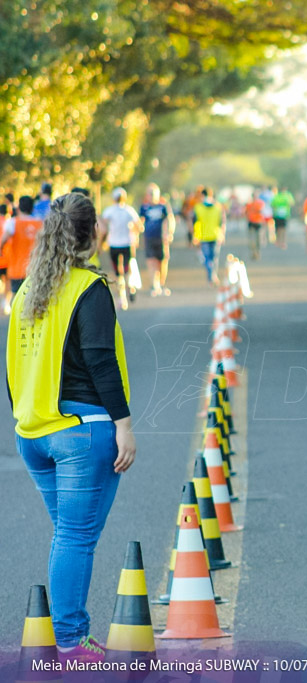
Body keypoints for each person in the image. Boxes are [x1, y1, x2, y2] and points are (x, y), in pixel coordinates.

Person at [7, 192, 136, 664]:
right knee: (76, 537)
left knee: (68, 533)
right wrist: (124, 425)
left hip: (33, 433)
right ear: (93, 233)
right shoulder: (89, 288)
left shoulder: (26, 291)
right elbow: (102, 363)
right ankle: (70, 638)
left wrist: (23, 421)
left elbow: (11, 366)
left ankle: (66, 635)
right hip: (81, 432)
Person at [99, 188, 142, 310]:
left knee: (117, 272)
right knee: (127, 269)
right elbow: (139, 225)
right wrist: (136, 236)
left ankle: (121, 297)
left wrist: (104, 239)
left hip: (113, 243)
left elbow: (103, 224)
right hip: (127, 243)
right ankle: (130, 287)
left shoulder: (109, 211)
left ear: (113, 198)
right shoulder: (129, 210)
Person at [2, 196, 44, 296]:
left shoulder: (12, 223)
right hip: (35, 269)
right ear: (32, 208)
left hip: (17, 269)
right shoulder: (40, 223)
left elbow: (2, 241)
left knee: (16, 297)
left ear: (19, 208)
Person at [138, 183, 175, 296]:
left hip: (162, 238)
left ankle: (162, 284)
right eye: (149, 193)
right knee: (151, 262)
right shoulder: (144, 207)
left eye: (153, 193)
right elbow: (140, 221)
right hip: (149, 238)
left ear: (158, 194)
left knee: (162, 262)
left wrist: (169, 233)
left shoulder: (163, 206)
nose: (151, 195)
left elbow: (170, 219)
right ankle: (154, 286)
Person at [192, 188, 226, 285]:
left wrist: (195, 236)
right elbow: (222, 222)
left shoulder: (198, 207)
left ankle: (211, 276)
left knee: (207, 258)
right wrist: (222, 234)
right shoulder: (218, 207)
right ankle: (212, 275)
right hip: (215, 235)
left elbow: (195, 223)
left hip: (204, 236)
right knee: (214, 257)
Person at [244, 192, 266, 261]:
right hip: (251, 223)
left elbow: (262, 213)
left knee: (258, 239)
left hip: (258, 223)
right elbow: (246, 213)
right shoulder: (249, 204)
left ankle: (257, 252)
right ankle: (254, 253)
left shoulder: (260, 204)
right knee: (252, 239)